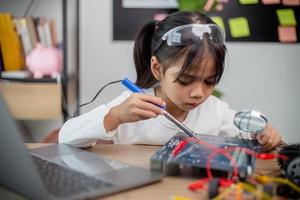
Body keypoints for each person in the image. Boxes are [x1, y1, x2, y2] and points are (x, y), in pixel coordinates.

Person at [59, 11, 282, 150]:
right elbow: (66, 137)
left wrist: (263, 134)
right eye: (185, 80)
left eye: (209, 81)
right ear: (157, 68)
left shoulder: (216, 111)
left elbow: (251, 134)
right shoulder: (132, 105)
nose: (199, 93)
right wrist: (115, 116)